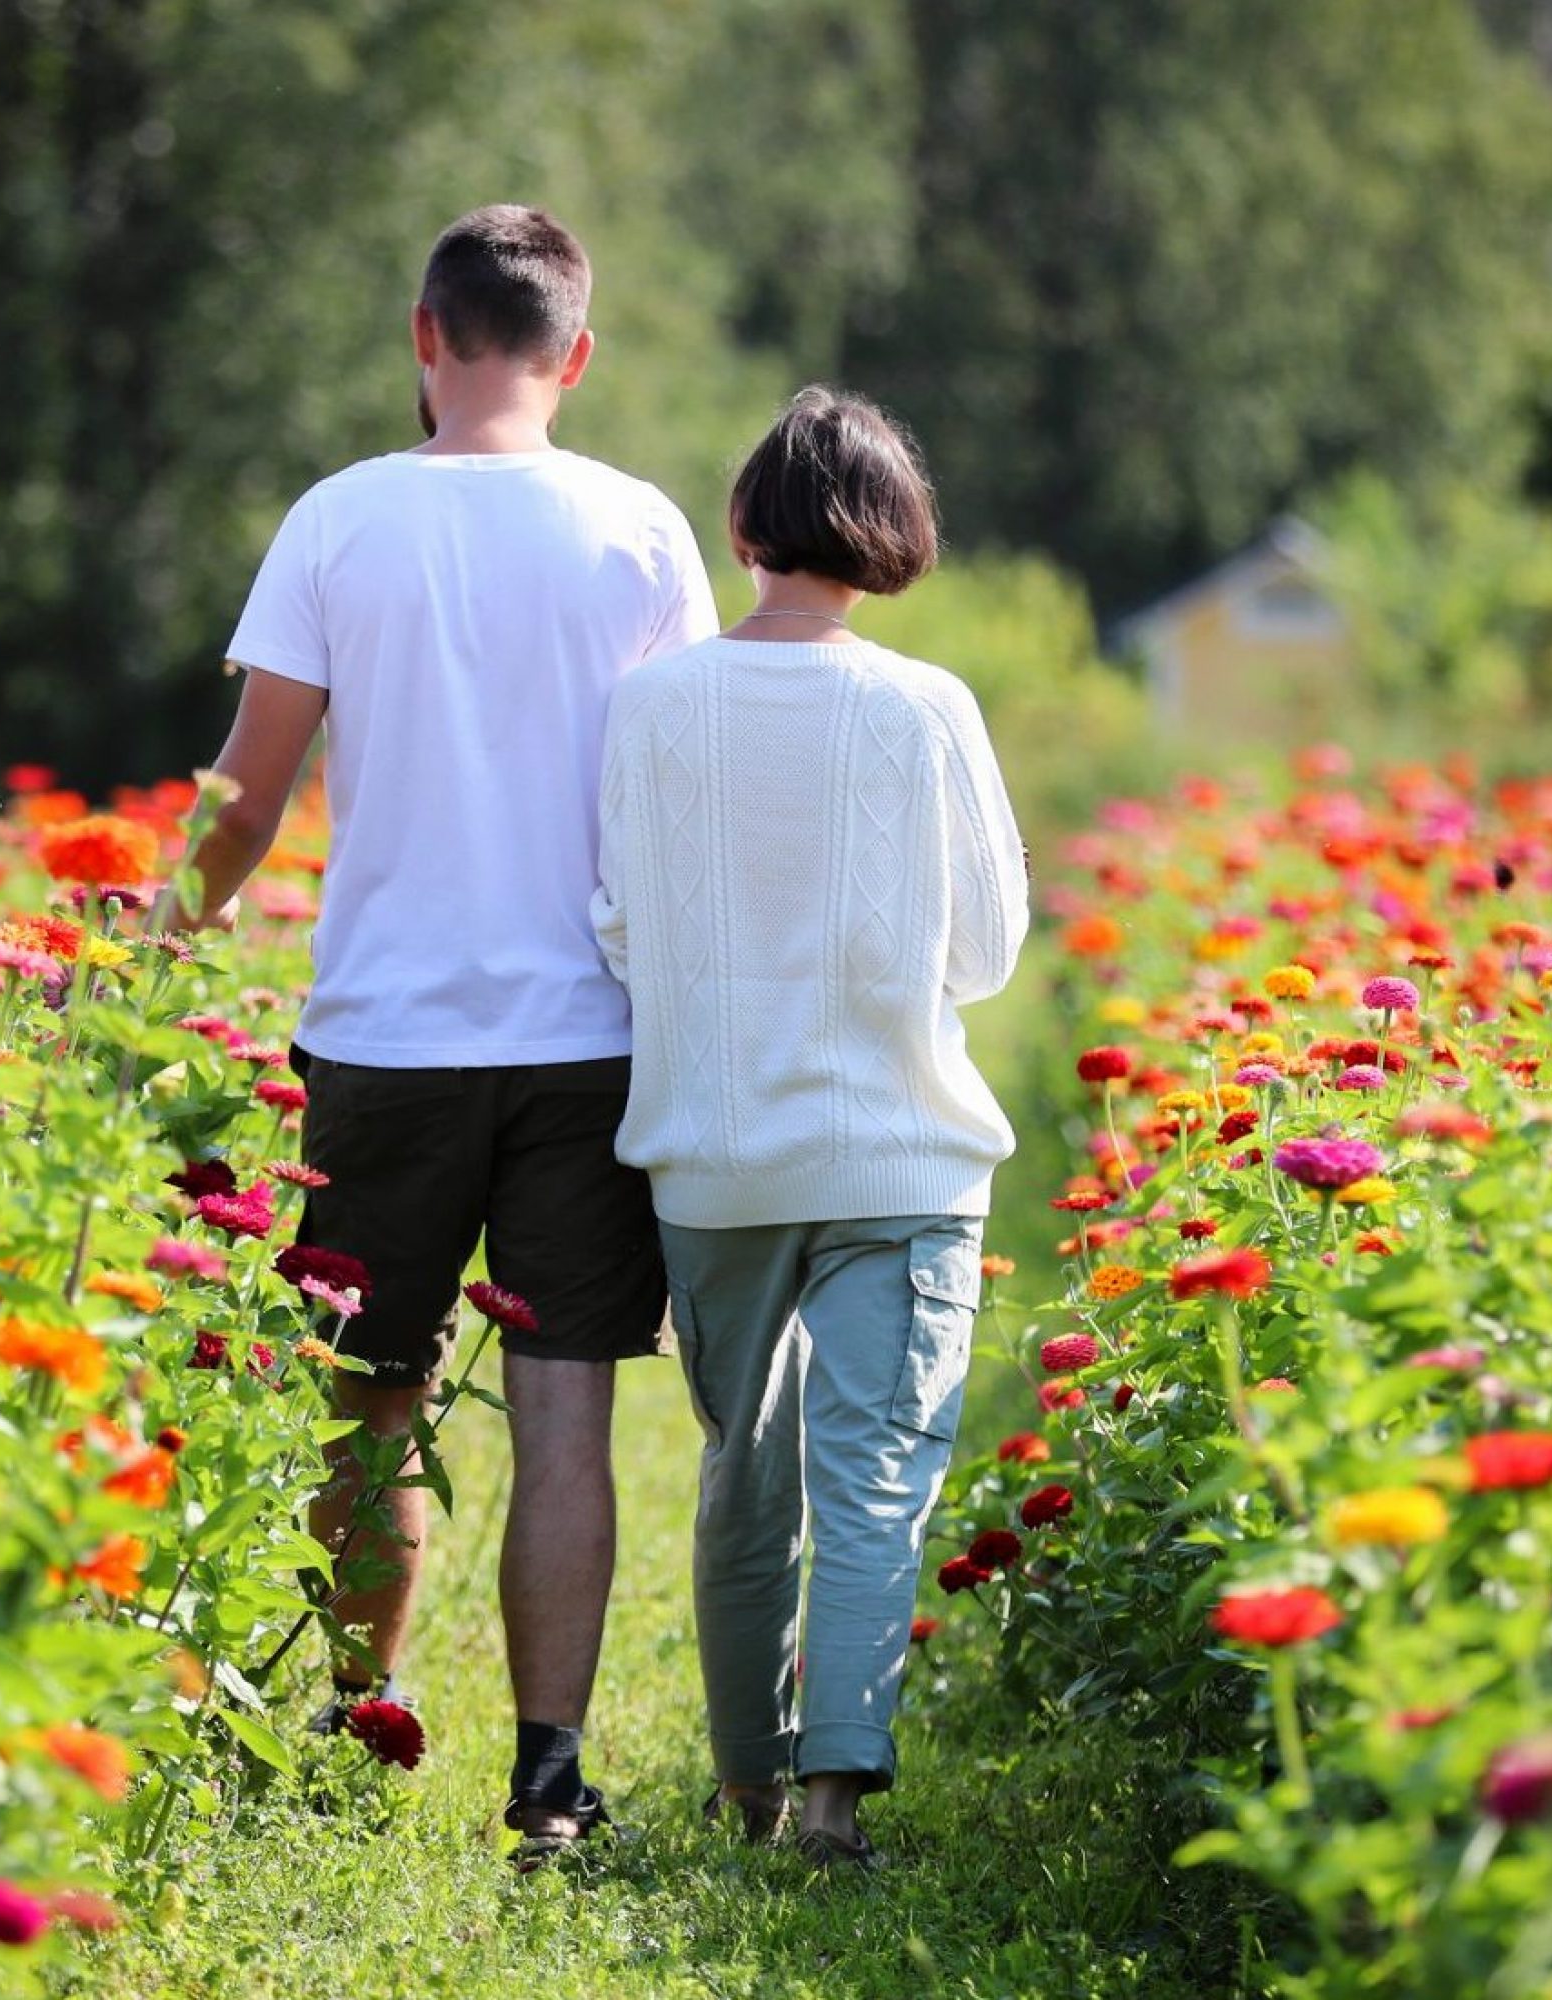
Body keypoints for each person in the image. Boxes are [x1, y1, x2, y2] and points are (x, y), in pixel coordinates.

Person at [154, 205, 717, 1860]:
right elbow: (682, 789)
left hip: (384, 1038)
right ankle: (549, 1778)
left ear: (424, 334)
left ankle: (350, 1727)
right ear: (578, 352)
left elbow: (244, 797)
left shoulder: (338, 522)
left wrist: (144, 956)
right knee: (562, 1412)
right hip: (587, 1037)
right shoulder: (640, 532)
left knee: (368, 1398)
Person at [591, 386, 1026, 1869]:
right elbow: (988, 958)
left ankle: (747, 1784)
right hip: (901, 1152)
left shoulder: (650, 706)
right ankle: (834, 1804)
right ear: (895, 537)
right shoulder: (926, 707)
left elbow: (620, 925)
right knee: (878, 1469)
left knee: (743, 1464)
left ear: (744, 529)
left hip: (715, 1160)